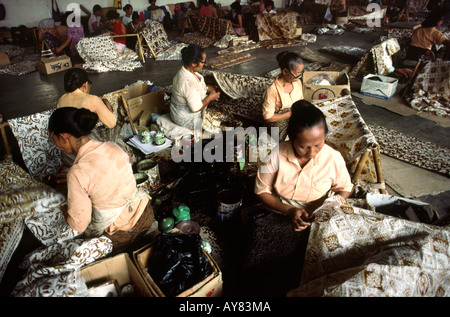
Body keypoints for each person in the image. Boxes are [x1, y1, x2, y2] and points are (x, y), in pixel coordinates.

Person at [48, 107, 154, 248]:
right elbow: (109, 174)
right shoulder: (113, 147)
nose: (55, 144)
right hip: (146, 215)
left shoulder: (77, 172)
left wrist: (64, 210)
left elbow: (79, 224)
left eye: (52, 138)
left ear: (63, 137)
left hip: (121, 234)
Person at [255, 100, 353, 232]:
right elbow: (262, 191)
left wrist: (327, 209)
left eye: (318, 145)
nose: (312, 153)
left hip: (318, 214)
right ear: (291, 138)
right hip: (280, 209)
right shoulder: (275, 155)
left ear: (324, 136)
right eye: (304, 147)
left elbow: (345, 188)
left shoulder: (333, 158)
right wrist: (289, 210)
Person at [170, 44, 220, 130]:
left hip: (176, 111)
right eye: (203, 62)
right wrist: (210, 98)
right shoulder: (189, 83)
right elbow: (196, 108)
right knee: (216, 124)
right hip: (185, 119)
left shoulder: (184, 71)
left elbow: (196, 88)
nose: (204, 64)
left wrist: (207, 88)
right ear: (193, 63)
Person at [262, 51, 304, 141]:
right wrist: (290, 114)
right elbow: (268, 117)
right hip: (279, 121)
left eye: (300, 73)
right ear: (285, 71)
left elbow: (301, 99)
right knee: (294, 140)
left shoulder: (297, 82)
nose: (299, 77)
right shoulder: (272, 90)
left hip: (294, 114)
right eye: (296, 74)